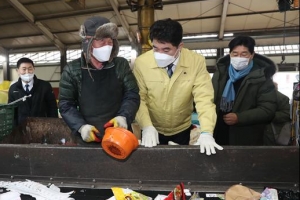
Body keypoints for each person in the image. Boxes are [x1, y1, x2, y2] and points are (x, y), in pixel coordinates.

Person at [133, 18, 223, 155]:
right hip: (153, 129)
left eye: (166, 49)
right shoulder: (141, 63)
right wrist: (146, 126)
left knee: (180, 166)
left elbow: (204, 99)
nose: (160, 54)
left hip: (182, 129)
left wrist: (207, 132)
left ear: (180, 46)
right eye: (155, 48)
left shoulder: (195, 62)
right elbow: (140, 98)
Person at [58, 16, 140, 143]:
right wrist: (80, 126)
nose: (107, 46)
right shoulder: (72, 70)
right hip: (88, 136)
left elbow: (132, 93)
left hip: (119, 135)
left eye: (110, 41)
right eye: (101, 40)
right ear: (87, 43)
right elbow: (66, 104)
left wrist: (123, 116)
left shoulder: (120, 65)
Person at [212, 36, 277, 146]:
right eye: (235, 54)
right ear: (230, 54)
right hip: (218, 133)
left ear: (252, 55)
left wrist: (239, 118)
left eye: (244, 54)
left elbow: (267, 109)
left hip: (246, 137)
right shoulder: (220, 74)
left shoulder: (262, 78)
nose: (239, 57)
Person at [8, 57, 58, 125]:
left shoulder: (45, 86)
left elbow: (52, 108)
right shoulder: (13, 89)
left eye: (30, 68)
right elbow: (11, 112)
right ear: (17, 71)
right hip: (21, 129)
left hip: (42, 127)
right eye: (24, 69)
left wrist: (52, 125)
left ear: (34, 69)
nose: (27, 72)